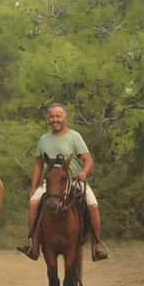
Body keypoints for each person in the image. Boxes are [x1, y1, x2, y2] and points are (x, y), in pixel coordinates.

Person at [17, 103, 109, 261]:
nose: (55, 120)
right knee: (33, 204)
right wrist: (33, 186)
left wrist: (83, 172)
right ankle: (33, 243)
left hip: (73, 180)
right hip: (51, 183)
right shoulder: (43, 139)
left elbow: (88, 159)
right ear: (48, 119)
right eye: (52, 117)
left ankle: (97, 245)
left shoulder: (75, 136)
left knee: (93, 206)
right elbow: (38, 163)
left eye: (58, 116)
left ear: (65, 118)